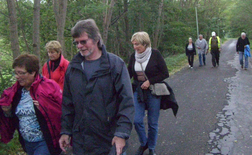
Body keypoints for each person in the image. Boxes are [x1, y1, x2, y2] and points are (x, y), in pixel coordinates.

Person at [59, 19, 134, 155]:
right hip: (81, 142)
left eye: (83, 41)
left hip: (109, 141)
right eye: (76, 43)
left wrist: (122, 133)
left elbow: (127, 102)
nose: (79, 46)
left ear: (96, 39)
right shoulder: (73, 68)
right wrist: (65, 131)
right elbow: (68, 103)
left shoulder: (115, 65)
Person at [0, 54, 62, 155]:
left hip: (45, 141)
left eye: (21, 73)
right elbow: (14, 118)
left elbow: (61, 110)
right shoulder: (15, 92)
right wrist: (7, 112)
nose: (17, 77)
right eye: (15, 73)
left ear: (33, 72)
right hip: (27, 142)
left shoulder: (48, 87)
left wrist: (44, 108)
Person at [128, 32, 178, 155]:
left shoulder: (155, 54)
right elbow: (128, 75)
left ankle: (151, 148)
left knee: (152, 123)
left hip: (153, 91)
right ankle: (144, 143)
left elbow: (165, 73)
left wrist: (150, 81)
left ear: (145, 43)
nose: (135, 47)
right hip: (138, 91)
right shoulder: (133, 56)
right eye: (133, 44)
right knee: (137, 120)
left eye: (137, 44)